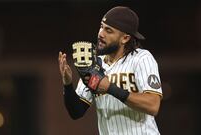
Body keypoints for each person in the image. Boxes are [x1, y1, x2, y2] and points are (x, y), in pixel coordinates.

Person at [58, 6, 163, 135]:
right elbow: (76, 112)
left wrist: (110, 88)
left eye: (109, 30)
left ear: (125, 38)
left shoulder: (141, 59)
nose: (101, 33)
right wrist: (67, 84)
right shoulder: (95, 64)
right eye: (101, 26)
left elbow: (153, 105)